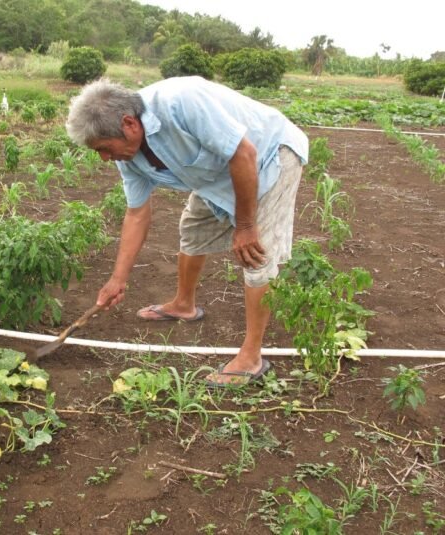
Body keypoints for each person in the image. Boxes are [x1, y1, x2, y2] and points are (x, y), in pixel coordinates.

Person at [65, 76, 308, 387]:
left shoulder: (182, 102)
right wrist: (117, 279)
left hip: (269, 155)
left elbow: (243, 154)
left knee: (256, 254)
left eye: (103, 148)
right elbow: (137, 214)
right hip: (217, 173)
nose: (103, 157)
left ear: (129, 124)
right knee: (193, 229)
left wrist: (246, 226)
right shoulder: (128, 156)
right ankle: (184, 304)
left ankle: (251, 357)